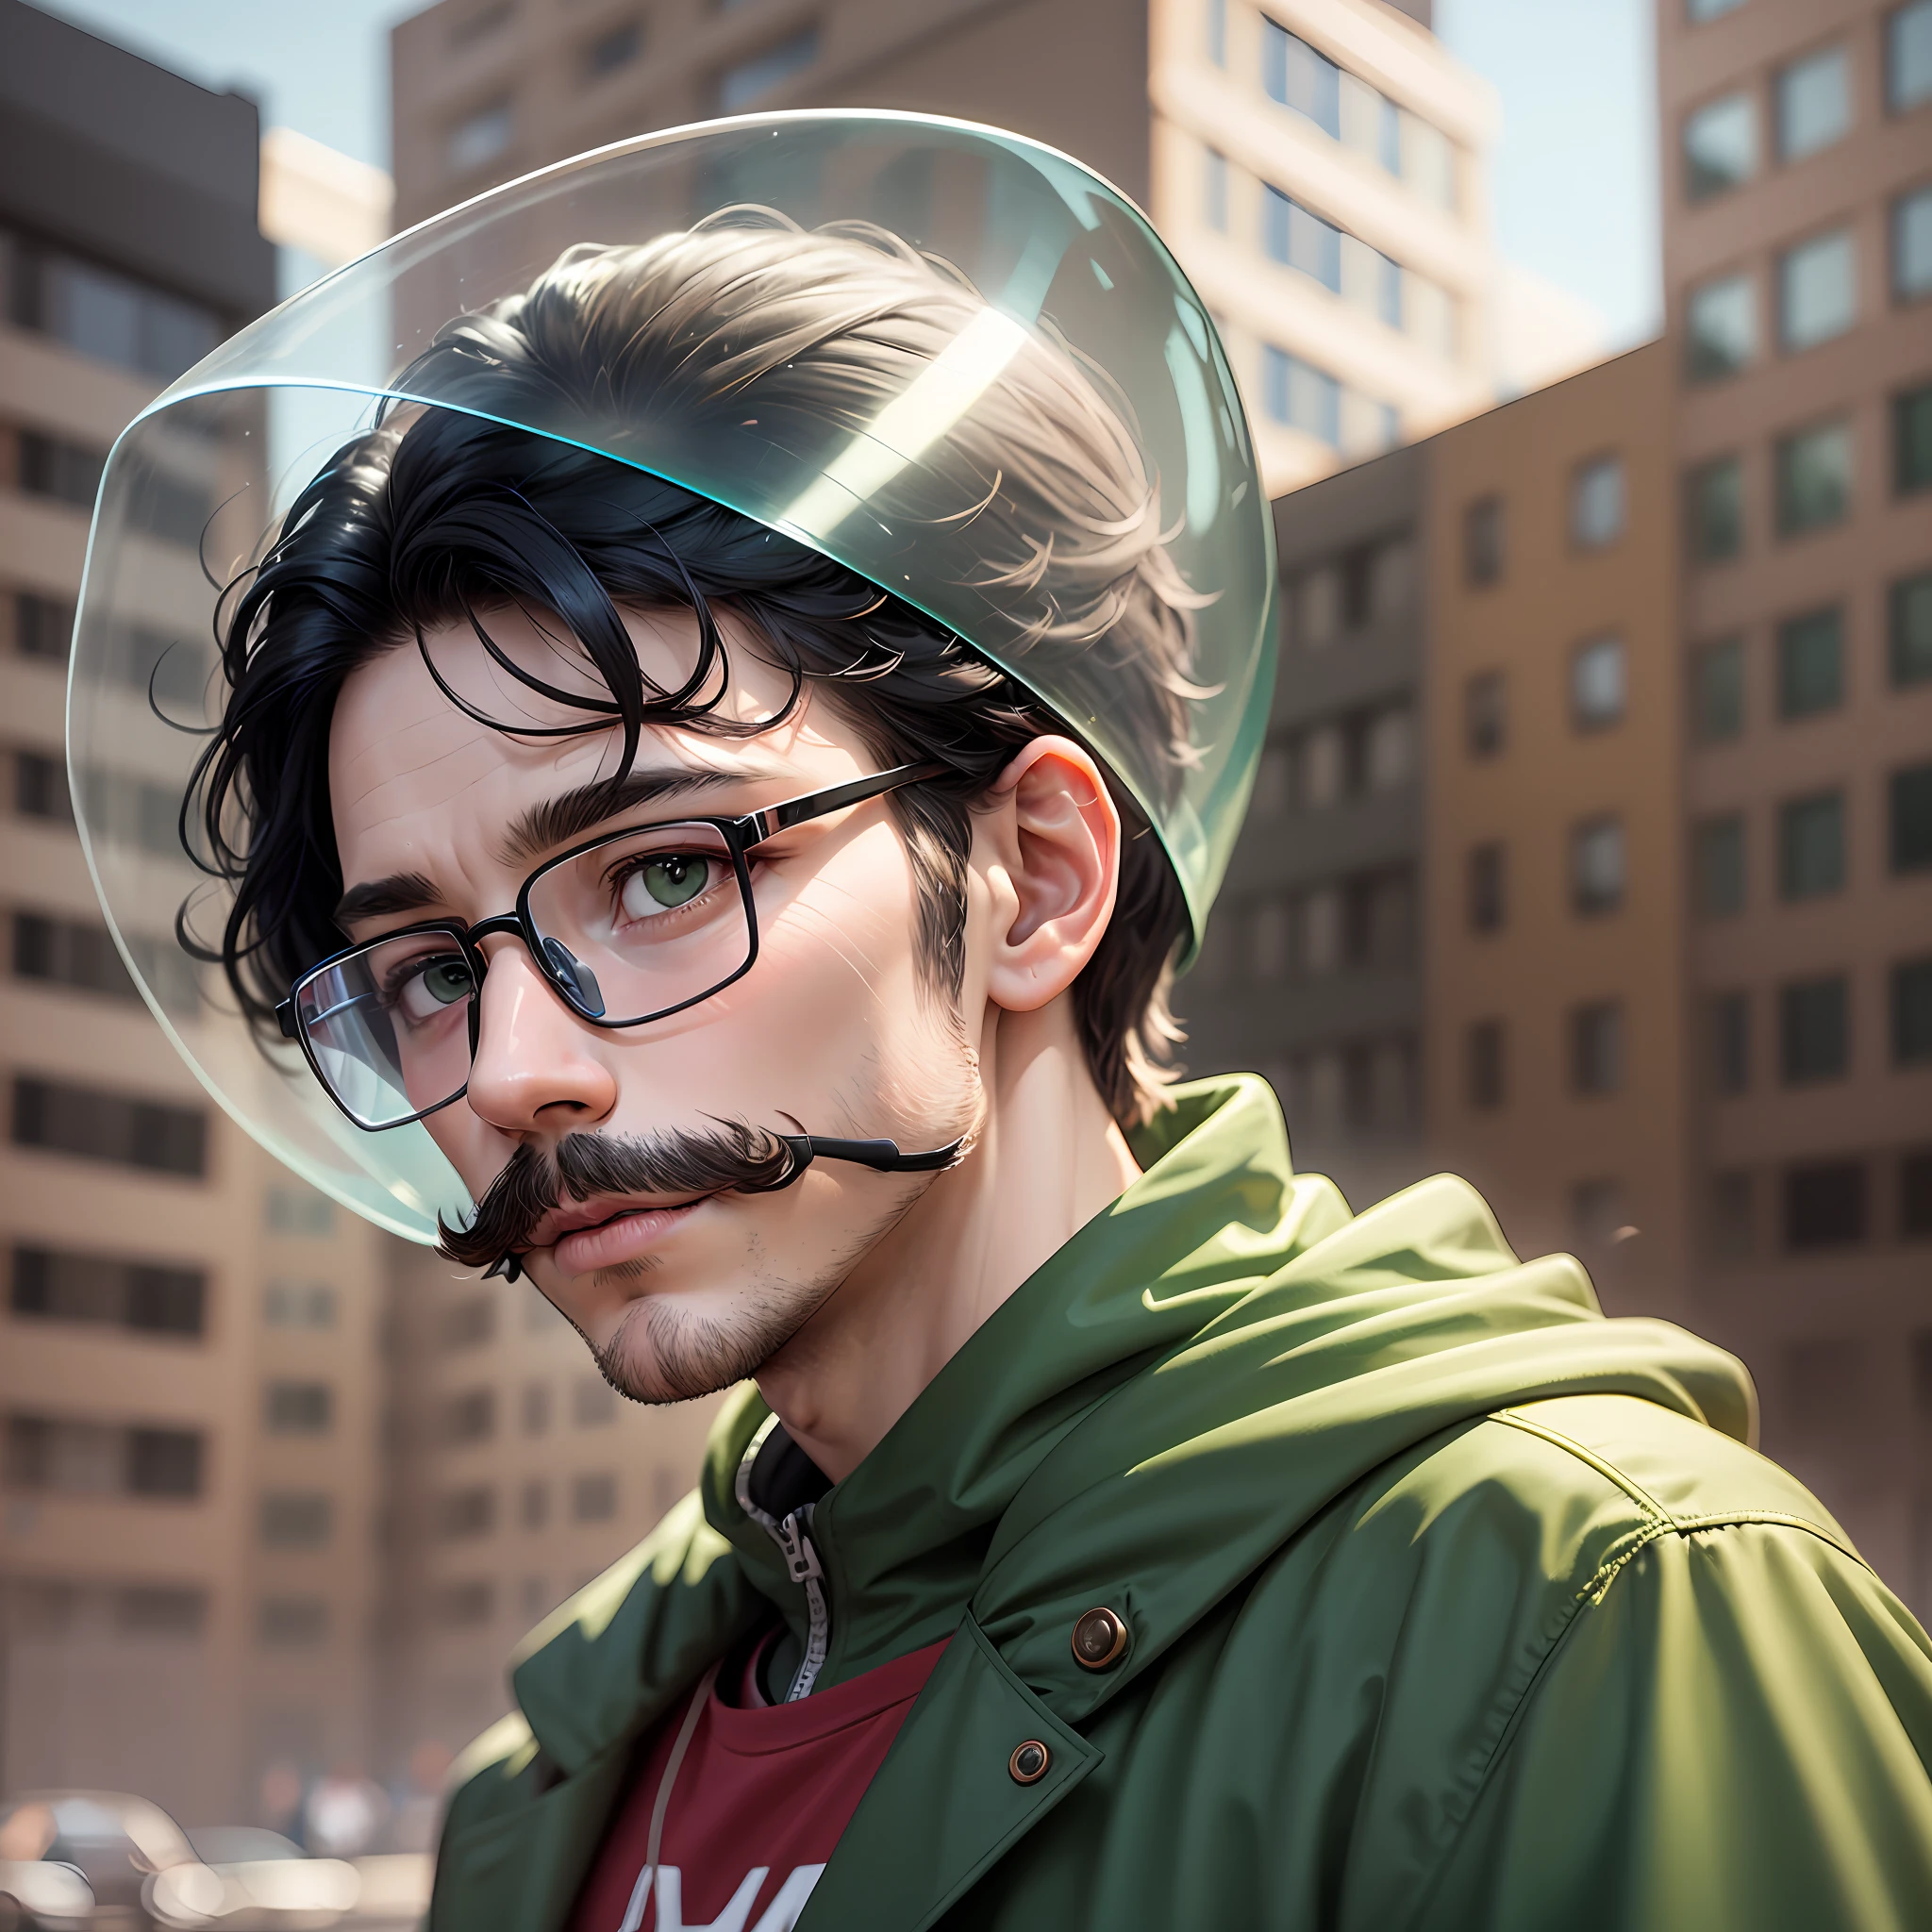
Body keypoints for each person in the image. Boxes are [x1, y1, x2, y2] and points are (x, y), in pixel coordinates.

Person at [74, 118, 1932, 1931]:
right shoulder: (554, 1769)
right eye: (426, 971)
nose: (507, 1068)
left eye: (657, 876)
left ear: (1036, 878)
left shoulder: (1587, 1621)